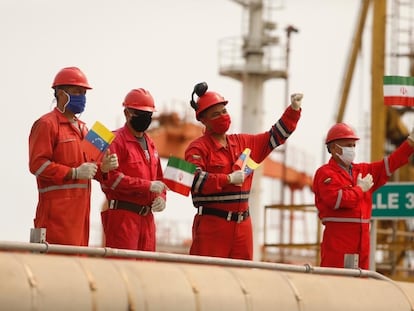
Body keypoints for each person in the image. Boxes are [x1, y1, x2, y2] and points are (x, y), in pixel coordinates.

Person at [184, 82, 303, 260]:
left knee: (243, 278)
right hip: (212, 226)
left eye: (224, 111)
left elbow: (274, 137)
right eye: (216, 114)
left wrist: (293, 111)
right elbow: (194, 180)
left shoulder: (243, 142)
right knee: (209, 277)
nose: (223, 116)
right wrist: (228, 179)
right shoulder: (196, 148)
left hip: (243, 227)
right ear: (203, 120)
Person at [29, 66, 119, 246]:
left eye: (84, 92)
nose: (82, 97)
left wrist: (105, 168)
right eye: (77, 91)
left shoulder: (86, 130)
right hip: (55, 218)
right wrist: (73, 173)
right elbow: (37, 165)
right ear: (61, 94)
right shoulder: (46, 124)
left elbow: (95, 172)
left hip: (80, 217)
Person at [313, 122, 414, 270]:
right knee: (336, 286)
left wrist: (410, 144)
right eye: (348, 145)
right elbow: (337, 200)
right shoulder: (325, 174)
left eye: (354, 145)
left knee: (362, 289)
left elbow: (390, 164)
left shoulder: (361, 170)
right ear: (334, 148)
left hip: (362, 247)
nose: (352, 149)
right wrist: (360, 189)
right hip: (338, 246)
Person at [100, 88, 167, 251]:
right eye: (140, 113)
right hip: (123, 217)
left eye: (148, 114)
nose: (145, 118)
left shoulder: (151, 144)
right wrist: (147, 186)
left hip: (147, 220)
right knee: (124, 267)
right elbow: (111, 180)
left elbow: (160, 179)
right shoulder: (113, 140)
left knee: (146, 270)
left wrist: (162, 197)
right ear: (127, 113)